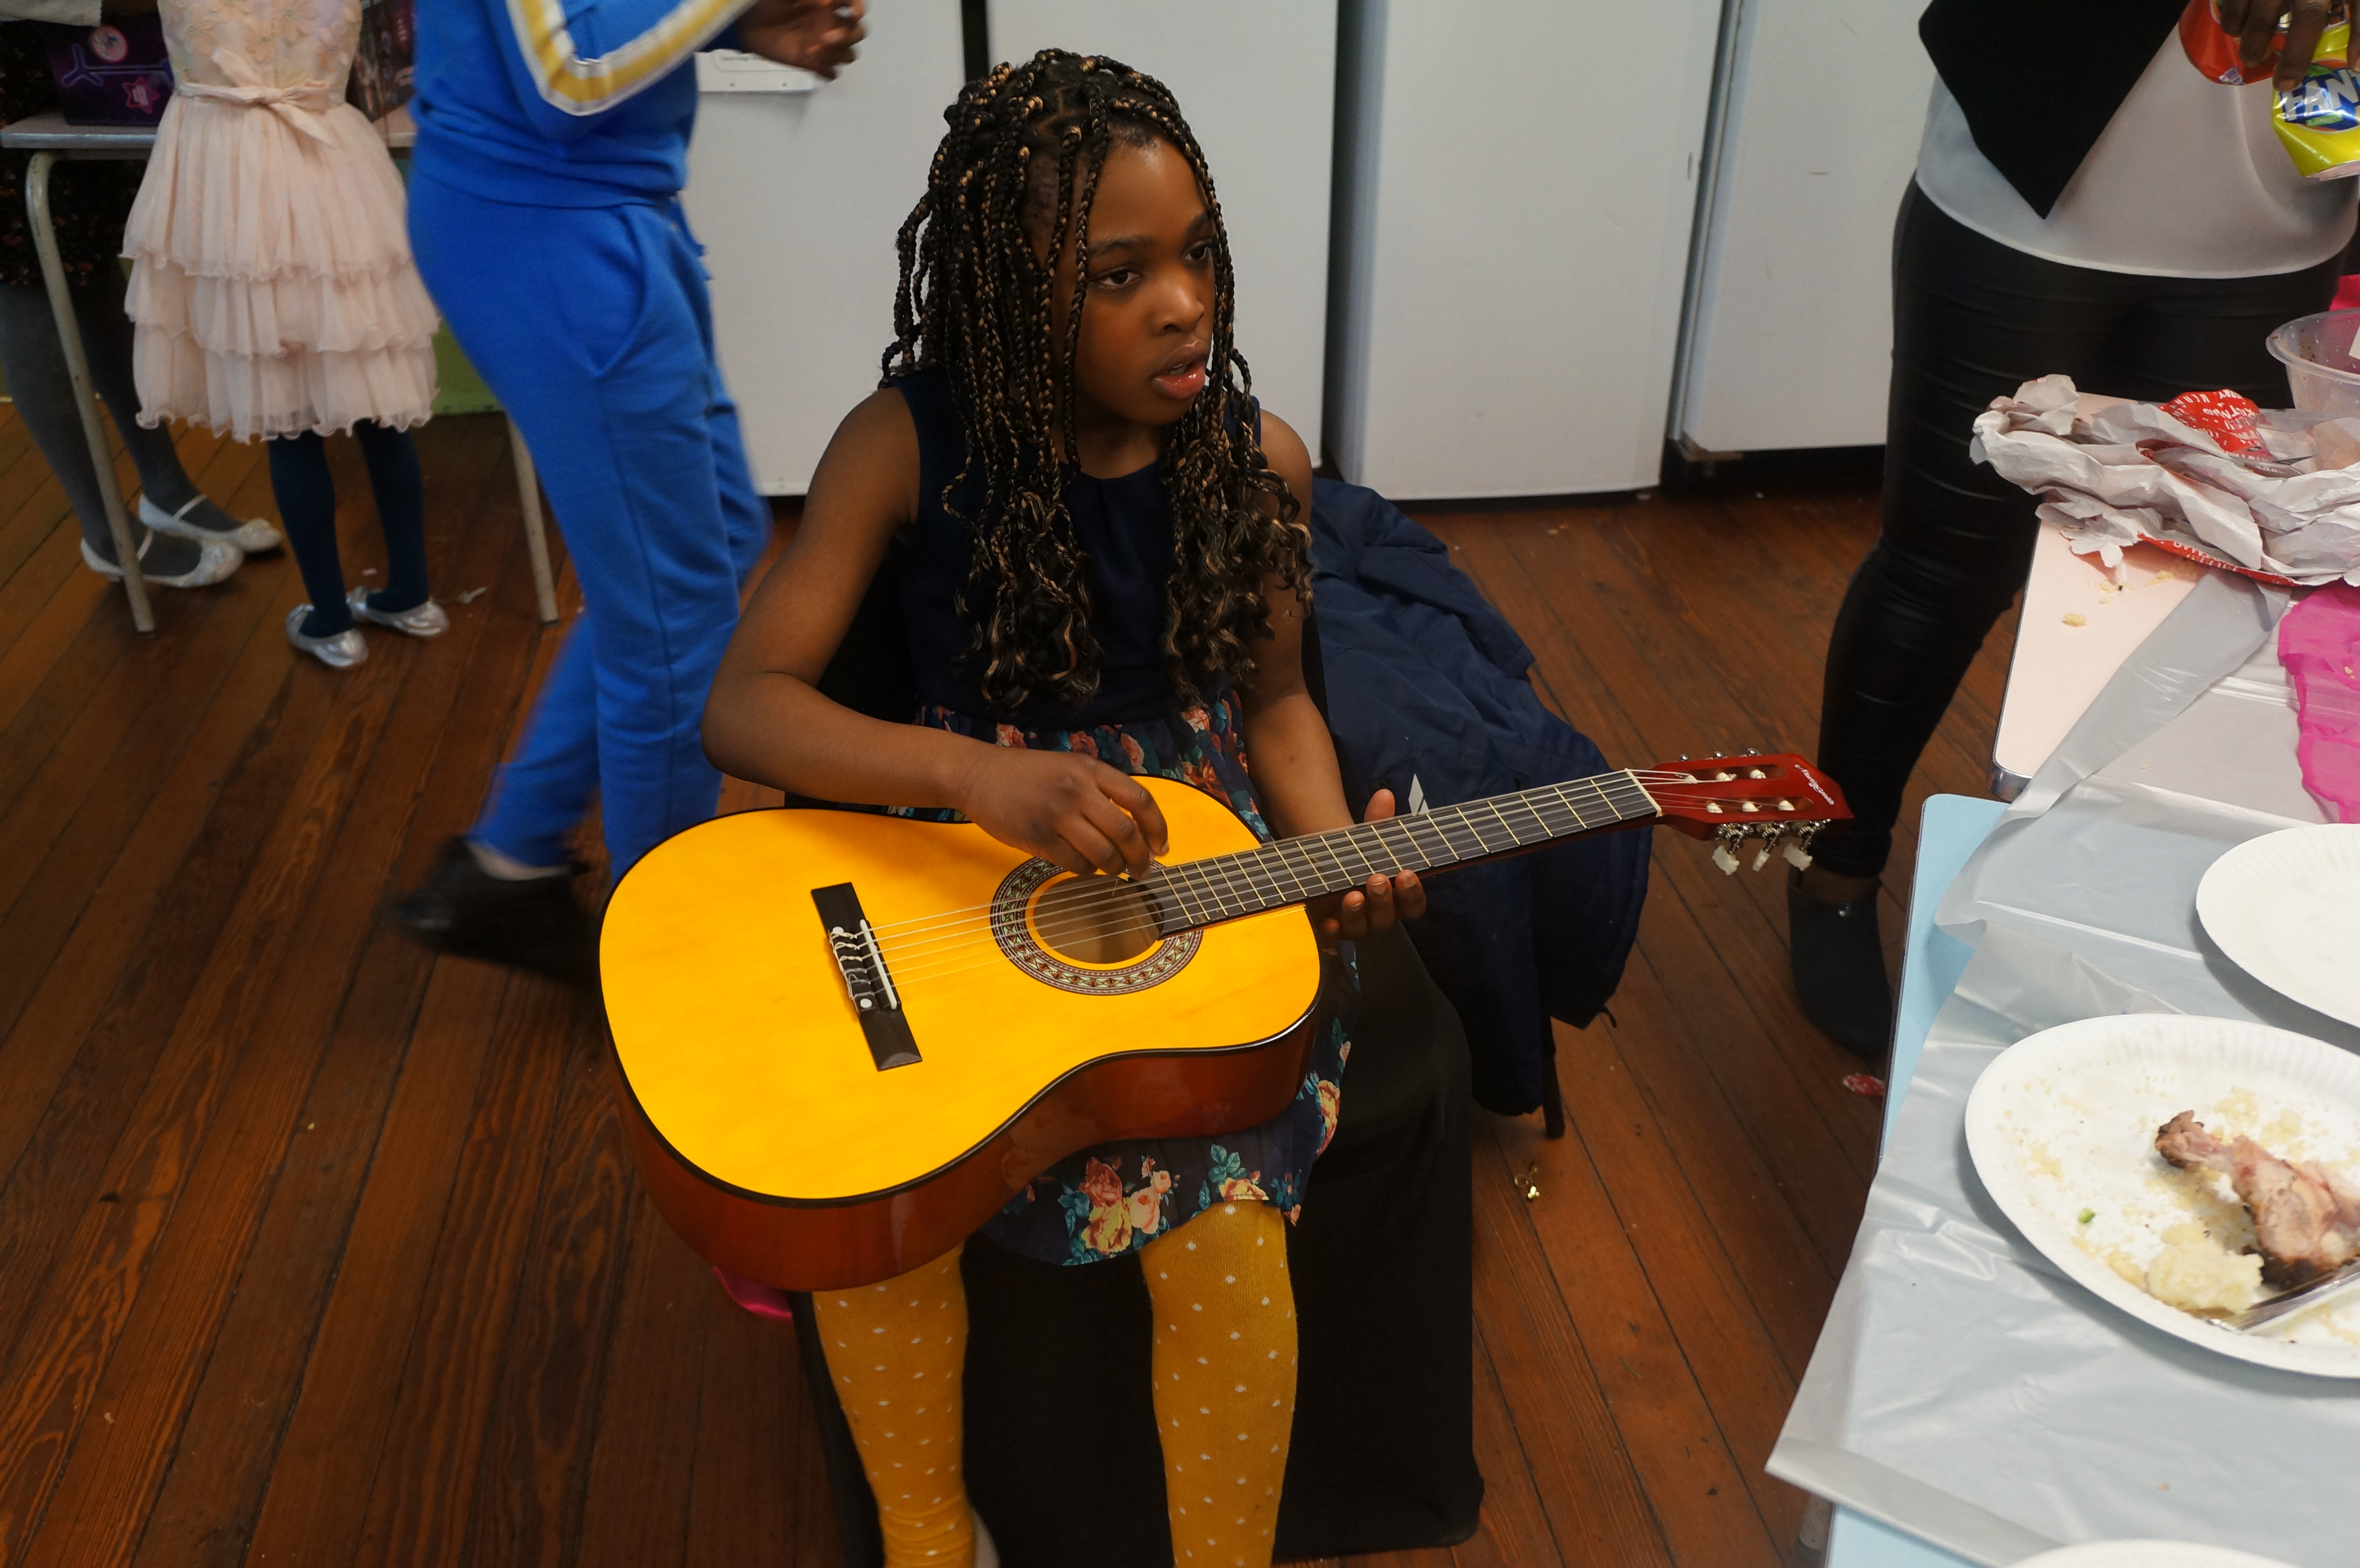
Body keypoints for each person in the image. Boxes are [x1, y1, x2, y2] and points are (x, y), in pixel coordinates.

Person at [699, 53, 1426, 1568]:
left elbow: (1279, 703)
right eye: (1119, 275)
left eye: (1197, 255)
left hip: (1182, 874)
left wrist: (1320, 860)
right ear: (1007, 295)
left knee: (1224, 1236)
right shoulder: (901, 445)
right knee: (875, 1220)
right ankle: (923, 1537)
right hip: (948, 855)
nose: (1183, 303)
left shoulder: (1256, 462)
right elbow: (745, 704)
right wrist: (975, 772)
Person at [1790, 0, 2357, 1056]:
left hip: (2278, 217)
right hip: (2020, 207)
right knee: (1939, 574)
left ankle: (2104, 896)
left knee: (2186, 592)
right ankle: (1834, 870)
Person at [388, 0, 862, 983]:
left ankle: (511, 861)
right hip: (550, 230)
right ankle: (664, 962)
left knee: (718, 542)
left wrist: (739, 32)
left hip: (594, 211)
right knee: (671, 625)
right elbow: (563, 74)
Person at [120, 0, 441, 667]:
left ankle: (330, 621)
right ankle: (412, 596)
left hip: (227, 181)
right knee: (377, 406)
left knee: (287, 419)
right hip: (334, 172)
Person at [0, 9, 271, 590]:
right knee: (21, 275)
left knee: (88, 256)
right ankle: (104, 530)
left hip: (59, 56)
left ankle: (166, 488)